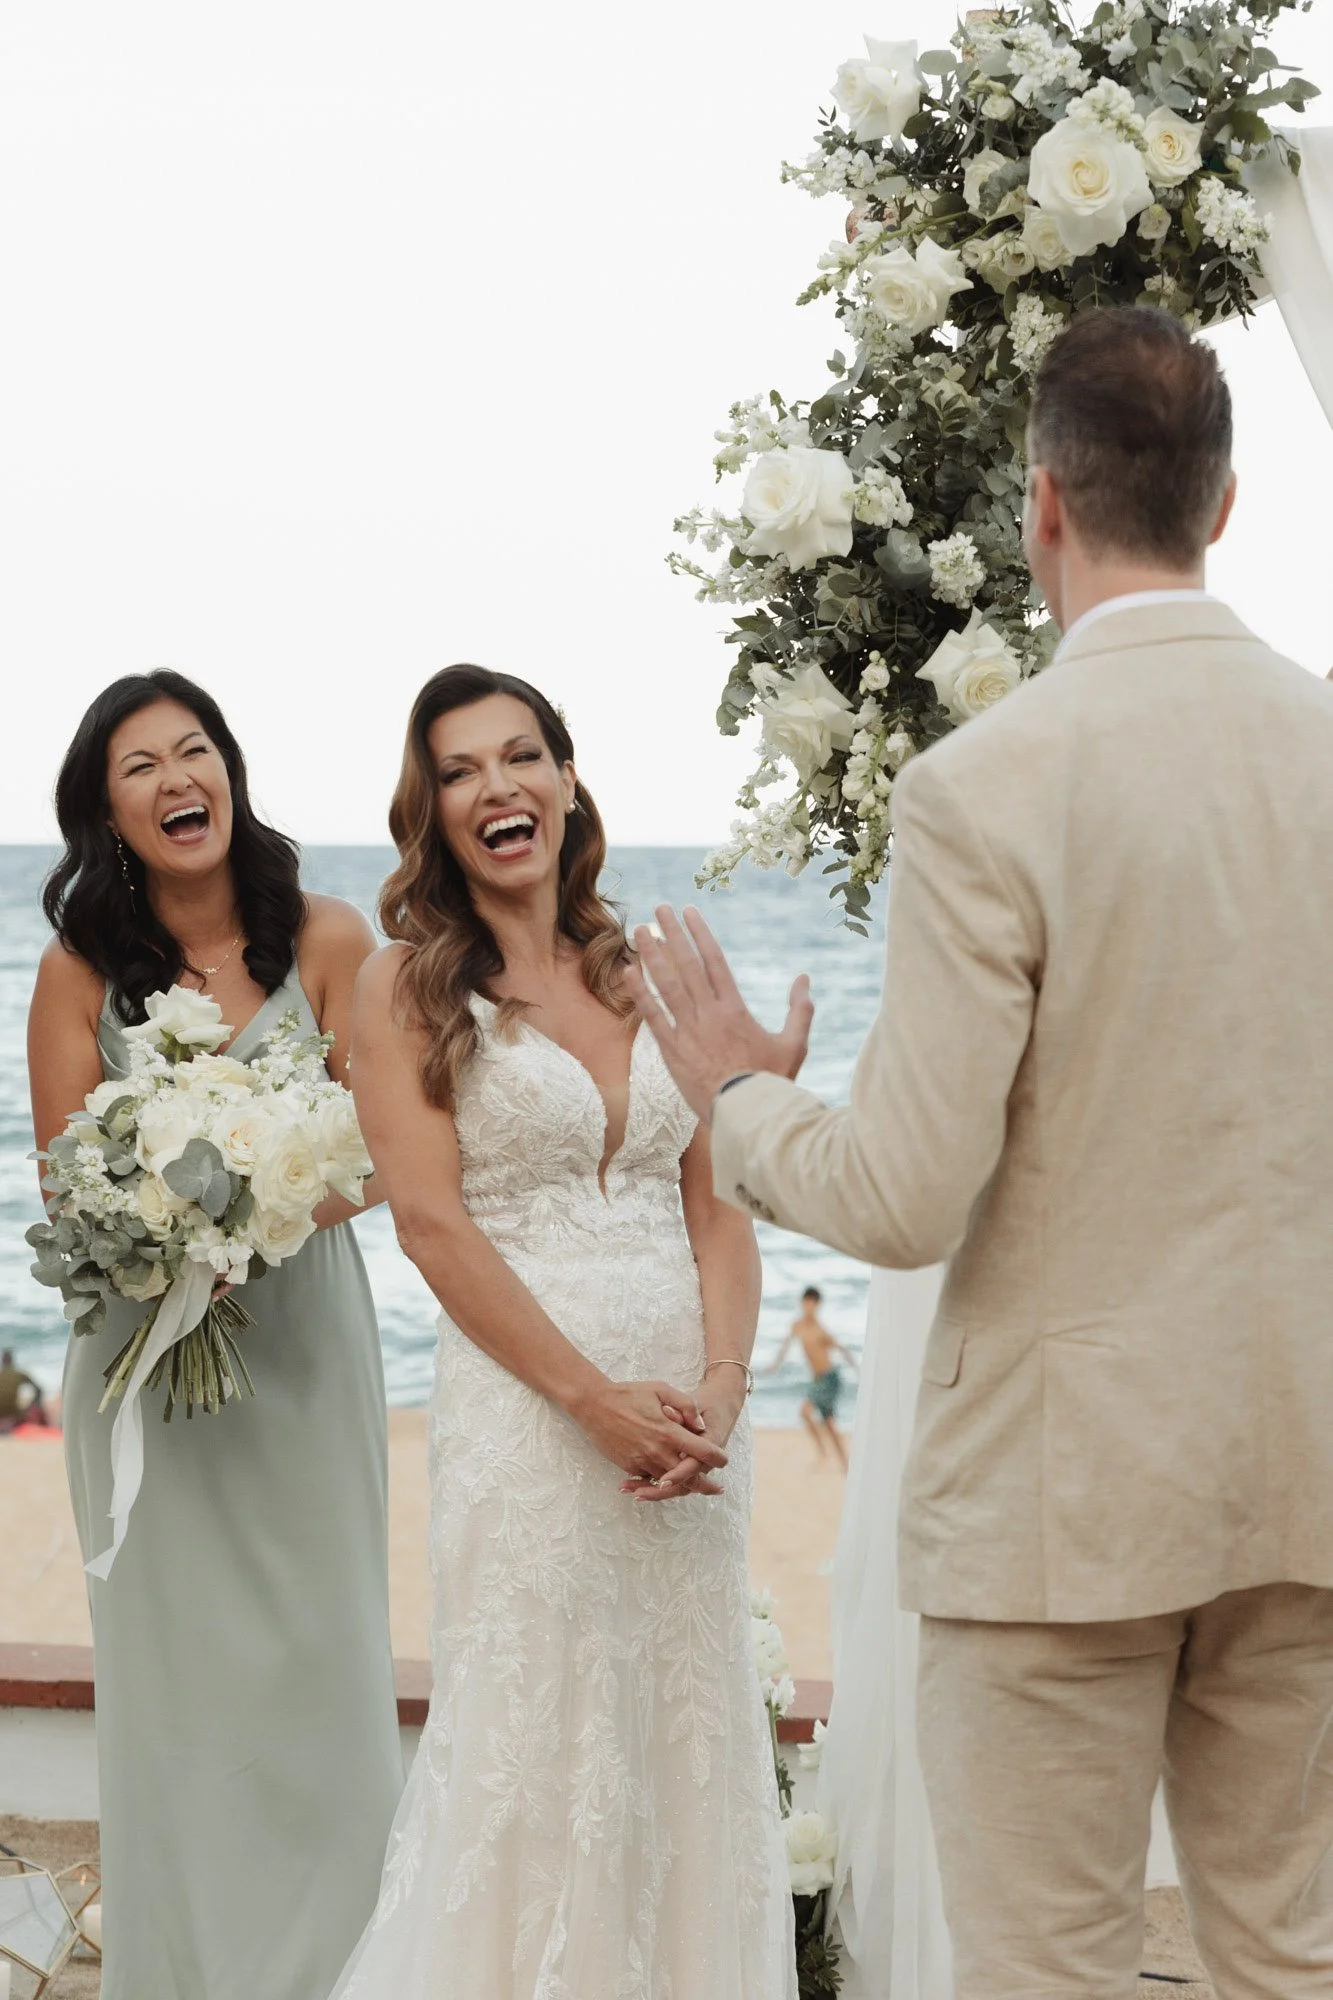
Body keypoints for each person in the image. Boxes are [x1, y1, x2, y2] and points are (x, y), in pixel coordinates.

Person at [629, 307, 1333, 1997]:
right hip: (1306, 1459)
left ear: (1039, 507)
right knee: (1291, 1959)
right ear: (1223, 504)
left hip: (1054, 1506)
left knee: (1045, 1973)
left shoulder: (986, 787)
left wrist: (738, 1101)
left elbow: (899, 1193)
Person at [328, 664, 795, 2000]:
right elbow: (430, 1226)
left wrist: (720, 1386)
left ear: (567, 778)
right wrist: (593, 1401)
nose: (497, 787)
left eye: (520, 755)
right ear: (435, 811)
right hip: (534, 1429)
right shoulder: (407, 986)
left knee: (686, 1748)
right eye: (462, 770)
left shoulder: (648, 975)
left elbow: (724, 1211)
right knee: (536, 1750)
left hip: (691, 1445)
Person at [27, 670, 404, 2000]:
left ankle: (349, 1969)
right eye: (142, 766)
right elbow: (68, 1176)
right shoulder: (76, 973)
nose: (178, 779)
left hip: (301, 1351)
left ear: (230, 774)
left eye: (196, 751)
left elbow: (394, 1150)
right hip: (145, 1370)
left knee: (327, 1659)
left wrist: (257, 1201)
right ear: (105, 812)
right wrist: (174, 1227)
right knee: (179, 1699)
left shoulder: (329, 939)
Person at [766, 1287, 855, 1466]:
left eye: (812, 1304)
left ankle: (841, 1460)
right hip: (817, 1380)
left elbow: (841, 1349)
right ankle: (830, 1456)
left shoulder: (820, 1330)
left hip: (829, 1379)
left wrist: (858, 1369)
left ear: (818, 1306)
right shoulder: (797, 1326)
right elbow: (786, 1345)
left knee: (824, 1420)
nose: (808, 1307)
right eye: (805, 1302)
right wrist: (776, 1364)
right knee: (814, 1416)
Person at [0, 1349, 50, 1432]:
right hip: (14, 1414)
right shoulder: (18, 1375)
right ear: (12, 1360)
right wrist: (29, 1407)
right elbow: (39, 1390)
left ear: (2, 1361)